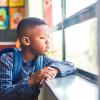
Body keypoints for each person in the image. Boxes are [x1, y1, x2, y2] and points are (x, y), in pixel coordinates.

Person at [0, 17, 76, 100]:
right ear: (26, 41)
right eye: (43, 38)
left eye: (48, 38)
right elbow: (3, 94)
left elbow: (70, 65)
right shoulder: (7, 60)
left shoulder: (43, 61)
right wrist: (32, 79)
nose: (48, 42)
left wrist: (54, 70)